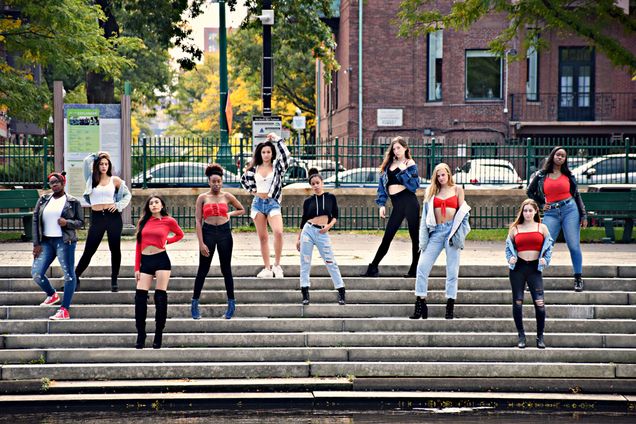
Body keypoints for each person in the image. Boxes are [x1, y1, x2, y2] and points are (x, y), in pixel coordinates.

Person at [411, 163, 470, 320]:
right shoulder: (431, 191)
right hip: (436, 232)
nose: (441, 178)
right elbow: (424, 218)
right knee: (422, 266)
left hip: (452, 232)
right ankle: (420, 302)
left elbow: (463, 214)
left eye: (443, 175)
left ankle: (450, 304)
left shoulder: (457, 190)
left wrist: (459, 235)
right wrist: (423, 240)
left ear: (449, 174)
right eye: (438, 175)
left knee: (452, 271)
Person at [527, 146, 587, 292]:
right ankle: (534, 279)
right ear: (552, 156)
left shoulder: (568, 175)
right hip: (551, 212)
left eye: (563, 156)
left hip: (570, 210)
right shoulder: (541, 175)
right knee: (545, 245)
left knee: (573, 245)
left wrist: (583, 214)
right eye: (558, 155)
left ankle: (578, 278)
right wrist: (542, 203)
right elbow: (530, 191)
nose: (560, 157)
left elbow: (576, 195)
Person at [191, 164, 245, 320]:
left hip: (224, 233)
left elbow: (241, 209)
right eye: (213, 181)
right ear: (209, 181)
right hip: (208, 232)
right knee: (203, 268)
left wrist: (230, 214)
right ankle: (194, 304)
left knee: (226, 269)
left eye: (219, 181)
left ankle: (231, 304)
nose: (216, 184)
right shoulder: (202, 198)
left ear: (222, 181)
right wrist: (201, 243)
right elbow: (198, 221)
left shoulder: (227, 196)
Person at [361, 136, 420, 278]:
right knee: (387, 236)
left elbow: (414, 186)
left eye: (399, 147)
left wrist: (404, 170)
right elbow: (382, 187)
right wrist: (381, 204)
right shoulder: (388, 166)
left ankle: (414, 270)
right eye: (394, 148)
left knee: (415, 238)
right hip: (397, 205)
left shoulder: (409, 164)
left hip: (410, 202)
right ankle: (373, 267)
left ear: (405, 148)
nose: (396, 150)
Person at [75, 151, 132, 292]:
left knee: (115, 249)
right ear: (97, 165)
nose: (104, 166)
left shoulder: (115, 180)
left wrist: (118, 205)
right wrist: (97, 155)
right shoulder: (90, 179)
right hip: (97, 217)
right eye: (101, 164)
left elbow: (127, 195)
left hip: (112, 217)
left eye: (106, 164)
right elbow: (85, 162)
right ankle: (75, 277)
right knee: (89, 250)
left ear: (109, 165)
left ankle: (114, 280)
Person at [32, 172, 84, 320]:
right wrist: (36, 243)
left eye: (57, 182)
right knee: (36, 273)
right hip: (46, 242)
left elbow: (81, 223)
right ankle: (52, 294)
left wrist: (67, 222)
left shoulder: (73, 202)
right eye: (51, 182)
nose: (54, 184)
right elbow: (35, 220)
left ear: (63, 183)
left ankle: (64, 310)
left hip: (64, 241)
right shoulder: (43, 200)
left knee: (68, 275)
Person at [134, 195, 184, 349]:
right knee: (140, 298)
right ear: (148, 207)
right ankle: (141, 333)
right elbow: (138, 244)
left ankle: (158, 333)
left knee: (160, 297)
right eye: (151, 203)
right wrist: (137, 268)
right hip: (146, 261)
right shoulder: (143, 222)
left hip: (161, 260)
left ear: (162, 205)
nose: (154, 205)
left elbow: (180, 234)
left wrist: (167, 241)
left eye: (156, 202)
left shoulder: (169, 221)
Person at [240, 132, 291, 278]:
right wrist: (253, 191)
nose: (266, 154)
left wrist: (277, 139)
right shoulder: (253, 168)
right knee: (263, 238)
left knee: (278, 232)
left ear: (272, 153)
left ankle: (277, 265)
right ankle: (267, 268)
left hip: (273, 203)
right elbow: (244, 180)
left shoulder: (277, 167)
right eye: (263, 152)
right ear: (260, 153)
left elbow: (287, 155)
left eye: (268, 152)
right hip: (257, 204)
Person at [505, 199, 553, 349]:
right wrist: (510, 258)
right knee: (518, 302)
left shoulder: (542, 228)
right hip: (518, 268)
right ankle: (521, 336)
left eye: (530, 211)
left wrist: (545, 259)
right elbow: (508, 248)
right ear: (522, 212)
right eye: (525, 211)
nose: (527, 213)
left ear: (535, 212)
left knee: (540, 303)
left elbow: (549, 247)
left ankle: (540, 337)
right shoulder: (515, 229)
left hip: (534, 269)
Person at [296, 168, 346, 305]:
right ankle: (305, 293)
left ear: (322, 183)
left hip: (322, 232)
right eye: (313, 184)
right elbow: (303, 219)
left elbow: (335, 215)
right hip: (308, 231)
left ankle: (341, 290)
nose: (316, 186)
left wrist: (329, 226)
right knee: (305, 262)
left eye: (318, 182)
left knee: (330, 261)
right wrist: (298, 238)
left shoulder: (330, 197)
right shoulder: (308, 201)